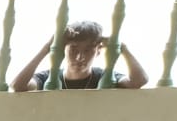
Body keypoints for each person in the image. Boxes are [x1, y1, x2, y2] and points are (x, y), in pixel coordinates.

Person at [12, 20, 149, 92]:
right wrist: (48, 48)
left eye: (88, 50)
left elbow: (139, 81)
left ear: (98, 51)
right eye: (73, 49)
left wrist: (123, 48)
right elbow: (17, 86)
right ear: (63, 49)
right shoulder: (49, 77)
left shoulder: (105, 77)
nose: (80, 57)